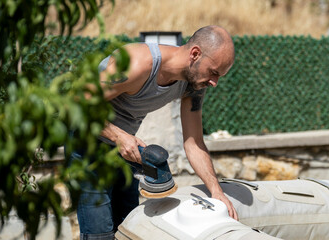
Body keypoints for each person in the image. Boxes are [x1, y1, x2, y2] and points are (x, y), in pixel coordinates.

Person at [77, 25, 238, 239]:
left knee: (129, 229)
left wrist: (217, 192)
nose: (214, 83)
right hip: (88, 143)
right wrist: (119, 136)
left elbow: (194, 143)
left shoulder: (193, 84)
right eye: (214, 72)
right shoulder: (138, 64)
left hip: (125, 150)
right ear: (195, 54)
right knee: (100, 235)